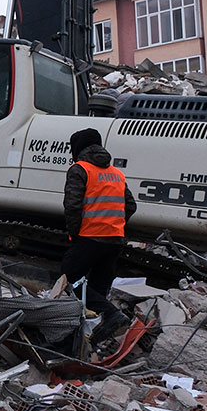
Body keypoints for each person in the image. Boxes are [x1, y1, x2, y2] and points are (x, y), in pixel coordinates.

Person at [63, 126, 138, 345]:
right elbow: (130, 205)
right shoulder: (116, 173)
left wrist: (74, 234)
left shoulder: (80, 169)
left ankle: (111, 313)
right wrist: (114, 224)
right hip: (114, 240)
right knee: (97, 287)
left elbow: (72, 206)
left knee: (69, 280)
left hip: (89, 238)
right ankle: (96, 329)